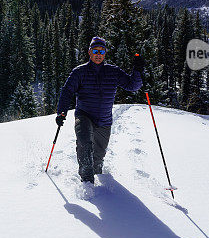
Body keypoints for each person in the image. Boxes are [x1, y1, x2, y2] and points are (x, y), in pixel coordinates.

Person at [56, 37, 144, 183]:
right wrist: (61, 112)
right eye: (95, 50)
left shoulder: (113, 72)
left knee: (98, 156)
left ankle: (98, 180)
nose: (98, 54)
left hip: (104, 121)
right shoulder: (79, 72)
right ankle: (87, 182)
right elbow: (67, 92)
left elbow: (132, 86)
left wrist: (138, 71)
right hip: (84, 115)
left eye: (101, 51)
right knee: (84, 142)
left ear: (105, 53)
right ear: (89, 52)